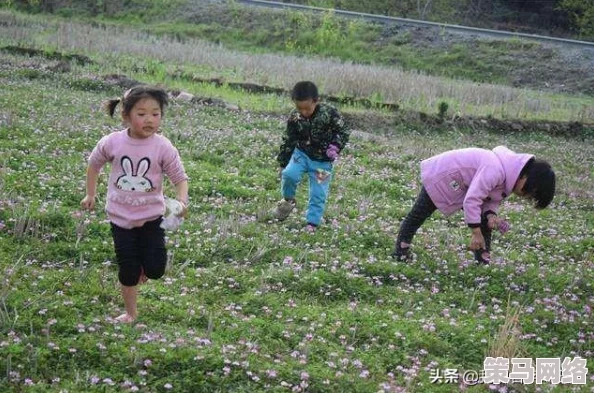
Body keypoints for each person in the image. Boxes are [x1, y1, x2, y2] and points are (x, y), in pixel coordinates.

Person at [81, 86, 189, 323]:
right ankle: (130, 313)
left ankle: (144, 268)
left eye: (155, 113)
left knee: (155, 269)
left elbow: (179, 178)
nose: (149, 119)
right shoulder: (113, 142)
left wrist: (181, 201)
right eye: (141, 114)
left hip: (152, 218)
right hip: (120, 218)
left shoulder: (163, 146)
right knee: (127, 270)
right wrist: (91, 194)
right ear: (126, 115)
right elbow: (94, 165)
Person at [392, 146, 555, 264]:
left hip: (461, 184)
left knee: (485, 220)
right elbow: (472, 200)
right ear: (526, 176)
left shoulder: (509, 179)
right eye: (529, 192)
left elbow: (491, 200)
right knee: (418, 214)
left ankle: (483, 259)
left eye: (530, 197)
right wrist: (475, 232)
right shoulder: (495, 170)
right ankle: (400, 251)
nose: (525, 195)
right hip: (442, 176)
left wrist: (491, 214)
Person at [273, 81, 350, 231]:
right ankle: (288, 201)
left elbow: (343, 131)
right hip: (301, 155)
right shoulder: (294, 117)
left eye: (307, 108)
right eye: (299, 108)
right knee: (288, 174)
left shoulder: (329, 113)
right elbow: (289, 139)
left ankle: (312, 223)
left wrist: (335, 146)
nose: (303, 112)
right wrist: (283, 162)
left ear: (316, 101)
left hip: (322, 162)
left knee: (318, 192)